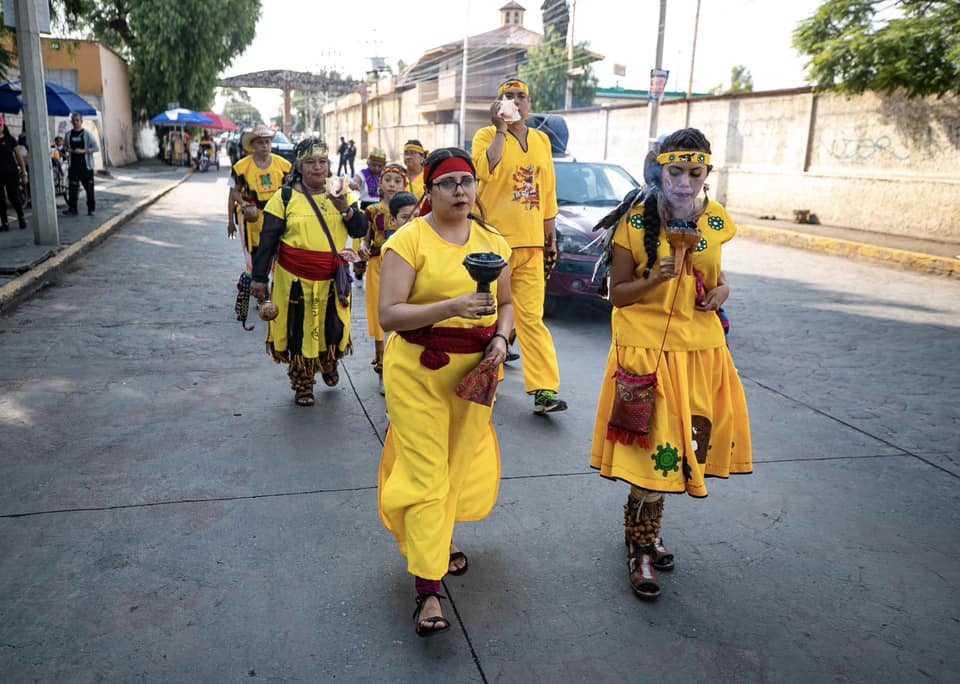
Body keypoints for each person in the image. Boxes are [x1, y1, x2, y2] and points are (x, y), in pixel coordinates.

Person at [590, 127, 752, 600]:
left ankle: (648, 531)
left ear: (707, 173)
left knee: (682, 447)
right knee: (651, 450)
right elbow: (617, 295)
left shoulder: (717, 221)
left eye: (694, 172)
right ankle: (639, 546)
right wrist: (655, 278)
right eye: (675, 171)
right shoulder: (635, 223)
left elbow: (717, 281)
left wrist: (721, 293)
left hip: (700, 351)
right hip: (645, 352)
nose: (684, 182)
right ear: (659, 169)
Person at [377, 147, 514, 637]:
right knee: (428, 472)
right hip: (417, 370)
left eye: (467, 181)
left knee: (456, 465)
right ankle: (427, 590)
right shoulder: (407, 241)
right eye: (449, 183)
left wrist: (500, 338)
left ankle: (434, 540)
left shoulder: (495, 242)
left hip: (475, 374)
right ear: (429, 191)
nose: (461, 191)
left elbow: (509, 304)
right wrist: (452, 304)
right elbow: (388, 315)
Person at [471, 77, 566, 414]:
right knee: (490, 317)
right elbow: (485, 170)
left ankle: (544, 389)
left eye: (520, 96)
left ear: (529, 104)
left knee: (531, 318)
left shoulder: (541, 139)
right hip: (494, 242)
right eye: (507, 96)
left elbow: (548, 186)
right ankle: (485, 384)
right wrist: (499, 129)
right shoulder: (486, 136)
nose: (515, 101)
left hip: (531, 244)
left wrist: (549, 227)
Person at [250, 138, 368, 406]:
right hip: (294, 280)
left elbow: (360, 230)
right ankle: (303, 382)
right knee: (299, 331)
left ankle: (328, 362)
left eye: (323, 162)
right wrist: (258, 278)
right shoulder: (285, 197)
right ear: (300, 166)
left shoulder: (341, 192)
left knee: (333, 327)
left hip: (332, 279)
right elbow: (268, 239)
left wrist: (346, 210)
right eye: (311, 162)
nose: (318, 168)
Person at [358, 163, 408, 393]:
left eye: (397, 181)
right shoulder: (373, 211)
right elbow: (366, 238)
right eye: (388, 180)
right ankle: (382, 366)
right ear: (381, 183)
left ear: (405, 184)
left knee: (405, 312)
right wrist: (362, 248)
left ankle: (402, 367)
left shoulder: (412, 209)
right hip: (378, 265)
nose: (392, 185)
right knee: (380, 316)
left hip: (406, 265)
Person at [227, 125, 292, 266]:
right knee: (256, 258)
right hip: (252, 218)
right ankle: (257, 285)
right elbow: (233, 193)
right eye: (260, 142)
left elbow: (294, 191)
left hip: (277, 217)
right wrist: (232, 219)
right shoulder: (240, 167)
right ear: (252, 145)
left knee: (279, 257)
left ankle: (277, 286)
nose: (265, 146)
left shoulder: (285, 165)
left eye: (267, 142)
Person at [63, 112, 99, 217]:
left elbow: (96, 148)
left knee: (89, 188)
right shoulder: (68, 135)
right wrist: (69, 150)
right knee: (73, 188)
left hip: (86, 167)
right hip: (73, 166)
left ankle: (91, 209)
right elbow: (65, 147)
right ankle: (72, 209)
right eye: (73, 120)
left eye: (77, 120)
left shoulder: (87, 134)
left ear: (81, 121)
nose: (75, 122)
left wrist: (83, 151)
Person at [0, 118, 27, 230]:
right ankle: (5, 223)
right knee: (0, 199)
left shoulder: (9, 139)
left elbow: (19, 156)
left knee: (13, 196)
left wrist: (24, 172)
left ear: (3, 126)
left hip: (11, 172)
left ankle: (21, 218)